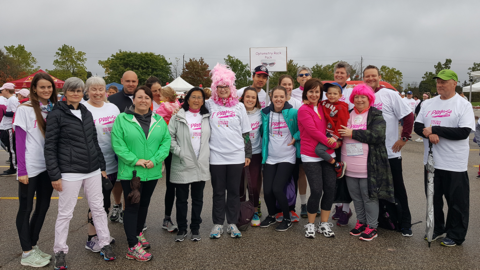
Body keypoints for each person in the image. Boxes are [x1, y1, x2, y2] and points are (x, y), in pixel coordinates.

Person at [44, 77, 116, 270]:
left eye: (78, 90)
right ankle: (60, 250)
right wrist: (54, 175)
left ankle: (105, 243)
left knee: (98, 208)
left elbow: (93, 140)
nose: (75, 93)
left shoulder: (85, 111)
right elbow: (50, 146)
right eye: (72, 90)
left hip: (92, 169)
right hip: (69, 172)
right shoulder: (56, 114)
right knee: (65, 214)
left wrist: (101, 167)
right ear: (65, 92)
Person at [414, 69, 475, 247]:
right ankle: (436, 228)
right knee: (433, 199)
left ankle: (456, 235)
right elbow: (418, 126)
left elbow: (463, 132)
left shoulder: (463, 104)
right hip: (432, 162)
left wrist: (435, 130)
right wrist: (428, 135)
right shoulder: (428, 104)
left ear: (454, 83)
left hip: (454, 163)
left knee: (457, 202)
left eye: (444, 82)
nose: (440, 85)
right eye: (438, 81)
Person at [111, 85, 171, 261]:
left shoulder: (159, 120)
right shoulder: (122, 119)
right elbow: (117, 143)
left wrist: (155, 159)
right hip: (132, 172)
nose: (143, 100)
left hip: (151, 171)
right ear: (133, 100)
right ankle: (132, 247)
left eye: (146, 97)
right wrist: (135, 160)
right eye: (139, 97)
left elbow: (165, 142)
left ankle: (137, 234)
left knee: (144, 204)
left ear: (150, 100)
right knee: (131, 207)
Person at [338, 84, 394, 241]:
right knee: (356, 196)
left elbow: (377, 135)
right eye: (356, 96)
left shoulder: (375, 115)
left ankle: (372, 226)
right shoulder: (348, 113)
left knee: (369, 196)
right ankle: (361, 222)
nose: (359, 99)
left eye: (363, 97)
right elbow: (338, 130)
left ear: (369, 98)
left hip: (368, 165)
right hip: (349, 165)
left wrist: (352, 133)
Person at [363, 65, 415, 237]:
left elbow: (408, 116)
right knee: (375, 190)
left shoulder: (389, 95)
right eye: (367, 76)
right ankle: (383, 220)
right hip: (369, 154)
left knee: (397, 189)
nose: (370, 79)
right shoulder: (362, 96)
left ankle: (405, 223)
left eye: (373, 76)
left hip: (390, 153)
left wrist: (404, 137)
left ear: (379, 77)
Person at [14, 73, 57, 267]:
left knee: (43, 207)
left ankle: (33, 244)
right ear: (34, 89)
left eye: (49, 87)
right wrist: (21, 170)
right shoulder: (25, 109)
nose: (46, 90)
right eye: (42, 87)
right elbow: (19, 141)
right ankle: (26, 253)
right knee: (26, 208)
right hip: (30, 167)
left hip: (48, 167)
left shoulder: (54, 108)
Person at [206, 63, 252, 239]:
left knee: (233, 191)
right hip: (216, 155)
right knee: (218, 191)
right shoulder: (210, 105)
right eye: (220, 87)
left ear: (231, 87)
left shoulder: (239, 107)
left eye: (226, 86)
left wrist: (247, 154)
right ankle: (218, 224)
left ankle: (232, 223)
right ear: (215, 88)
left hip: (236, 155)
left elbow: (245, 133)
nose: (223, 89)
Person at [83, 76, 121, 252]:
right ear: (87, 91)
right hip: (94, 164)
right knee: (97, 203)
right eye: (93, 89)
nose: (97, 93)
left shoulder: (112, 108)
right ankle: (92, 237)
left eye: (100, 89)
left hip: (113, 162)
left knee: (105, 203)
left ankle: (102, 233)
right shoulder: (83, 108)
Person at [298, 78, 338, 238]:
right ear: (306, 93)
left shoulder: (324, 107)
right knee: (316, 190)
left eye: (317, 91)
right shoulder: (303, 110)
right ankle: (310, 224)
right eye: (311, 91)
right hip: (310, 155)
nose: (314, 94)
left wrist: (336, 140)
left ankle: (324, 223)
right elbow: (313, 131)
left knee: (329, 189)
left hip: (328, 154)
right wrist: (331, 142)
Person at [169, 87, 211, 242]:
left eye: (200, 97)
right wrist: (180, 152)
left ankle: (195, 228)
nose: (196, 100)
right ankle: (182, 229)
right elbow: (170, 137)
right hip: (182, 162)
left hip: (200, 162)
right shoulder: (178, 116)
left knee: (198, 198)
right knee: (181, 199)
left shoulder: (207, 116)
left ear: (203, 100)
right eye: (193, 97)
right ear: (187, 99)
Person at [258, 86, 300, 232]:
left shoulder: (293, 112)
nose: (278, 99)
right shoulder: (265, 113)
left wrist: (296, 137)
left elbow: (304, 127)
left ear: (286, 97)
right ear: (271, 97)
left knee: (277, 188)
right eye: (276, 96)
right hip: (270, 157)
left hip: (287, 156)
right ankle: (271, 215)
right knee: (268, 190)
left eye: (281, 96)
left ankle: (287, 218)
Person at [108, 71, 139, 224]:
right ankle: (117, 204)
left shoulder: (141, 97)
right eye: (127, 81)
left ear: (137, 82)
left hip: (136, 148)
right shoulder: (112, 100)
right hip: (117, 147)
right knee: (118, 180)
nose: (131, 84)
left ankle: (129, 212)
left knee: (133, 180)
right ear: (122, 81)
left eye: (133, 81)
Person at [154, 85, 181, 232]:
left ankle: (169, 217)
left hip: (170, 147)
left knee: (173, 185)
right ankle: (169, 218)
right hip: (174, 147)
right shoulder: (178, 106)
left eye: (160, 93)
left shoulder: (163, 107)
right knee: (175, 186)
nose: (159, 95)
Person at [330, 61, 355, 226]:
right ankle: (338, 206)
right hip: (331, 139)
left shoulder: (352, 92)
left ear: (348, 76)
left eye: (342, 73)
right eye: (337, 72)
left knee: (346, 174)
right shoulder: (329, 91)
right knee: (334, 173)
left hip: (347, 138)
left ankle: (346, 209)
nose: (339, 75)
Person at [290, 66, 313, 217]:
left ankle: (313, 203)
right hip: (298, 138)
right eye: (301, 75)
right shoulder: (292, 94)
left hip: (314, 137)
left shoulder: (319, 90)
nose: (304, 76)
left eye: (307, 74)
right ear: (297, 78)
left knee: (314, 173)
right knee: (300, 173)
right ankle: (303, 204)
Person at [239, 87, 263, 226]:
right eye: (248, 96)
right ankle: (241, 211)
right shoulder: (237, 111)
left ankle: (254, 211)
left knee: (253, 184)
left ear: (256, 100)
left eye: (253, 97)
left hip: (256, 153)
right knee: (240, 184)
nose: (250, 100)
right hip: (238, 154)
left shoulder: (261, 114)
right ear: (243, 97)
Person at [317, 82, 348, 178]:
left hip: (334, 135)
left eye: (335, 94)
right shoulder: (324, 103)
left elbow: (341, 123)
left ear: (340, 95)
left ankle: (338, 165)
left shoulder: (341, 107)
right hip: (325, 132)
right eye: (329, 93)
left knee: (318, 150)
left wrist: (335, 138)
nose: (332, 96)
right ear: (326, 95)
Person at [0, 82, 20, 175]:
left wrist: (4, 113)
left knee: (12, 149)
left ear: (7, 90)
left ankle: (14, 168)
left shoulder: (12, 99)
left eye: (2, 90)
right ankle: (14, 165)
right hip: (6, 127)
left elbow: (15, 113)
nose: (1, 91)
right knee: (10, 148)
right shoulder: (10, 99)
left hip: (9, 128)